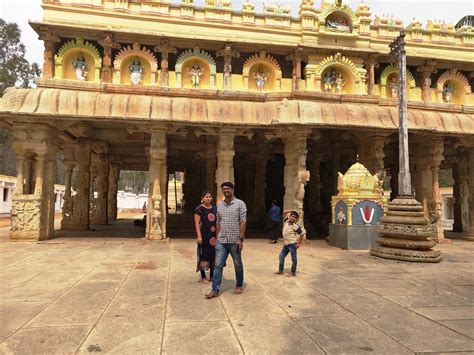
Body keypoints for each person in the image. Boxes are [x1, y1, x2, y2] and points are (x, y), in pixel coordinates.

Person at [206, 182, 247, 299]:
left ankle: (239, 285)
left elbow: (243, 221)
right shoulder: (219, 206)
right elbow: (218, 223)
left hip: (235, 241)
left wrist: (241, 239)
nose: (226, 191)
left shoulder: (240, 204)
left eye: (228, 189)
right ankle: (215, 289)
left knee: (238, 264)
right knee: (218, 265)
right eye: (224, 189)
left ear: (233, 190)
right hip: (222, 241)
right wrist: (216, 237)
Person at [194, 192, 217, 283]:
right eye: (206, 197)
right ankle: (203, 276)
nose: (208, 198)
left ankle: (211, 275)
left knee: (213, 254)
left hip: (213, 236)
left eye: (210, 197)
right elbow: (197, 223)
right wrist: (199, 235)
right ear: (202, 198)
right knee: (203, 254)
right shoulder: (199, 209)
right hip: (204, 235)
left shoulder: (215, 209)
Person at [275, 210, 305, 277]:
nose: (293, 218)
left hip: (292, 244)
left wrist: (298, 243)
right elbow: (284, 212)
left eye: (295, 217)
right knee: (281, 256)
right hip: (286, 244)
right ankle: (280, 270)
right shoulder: (286, 221)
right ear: (290, 216)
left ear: (296, 219)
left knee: (293, 258)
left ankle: (293, 272)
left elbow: (302, 234)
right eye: (292, 216)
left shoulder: (296, 226)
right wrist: (292, 210)